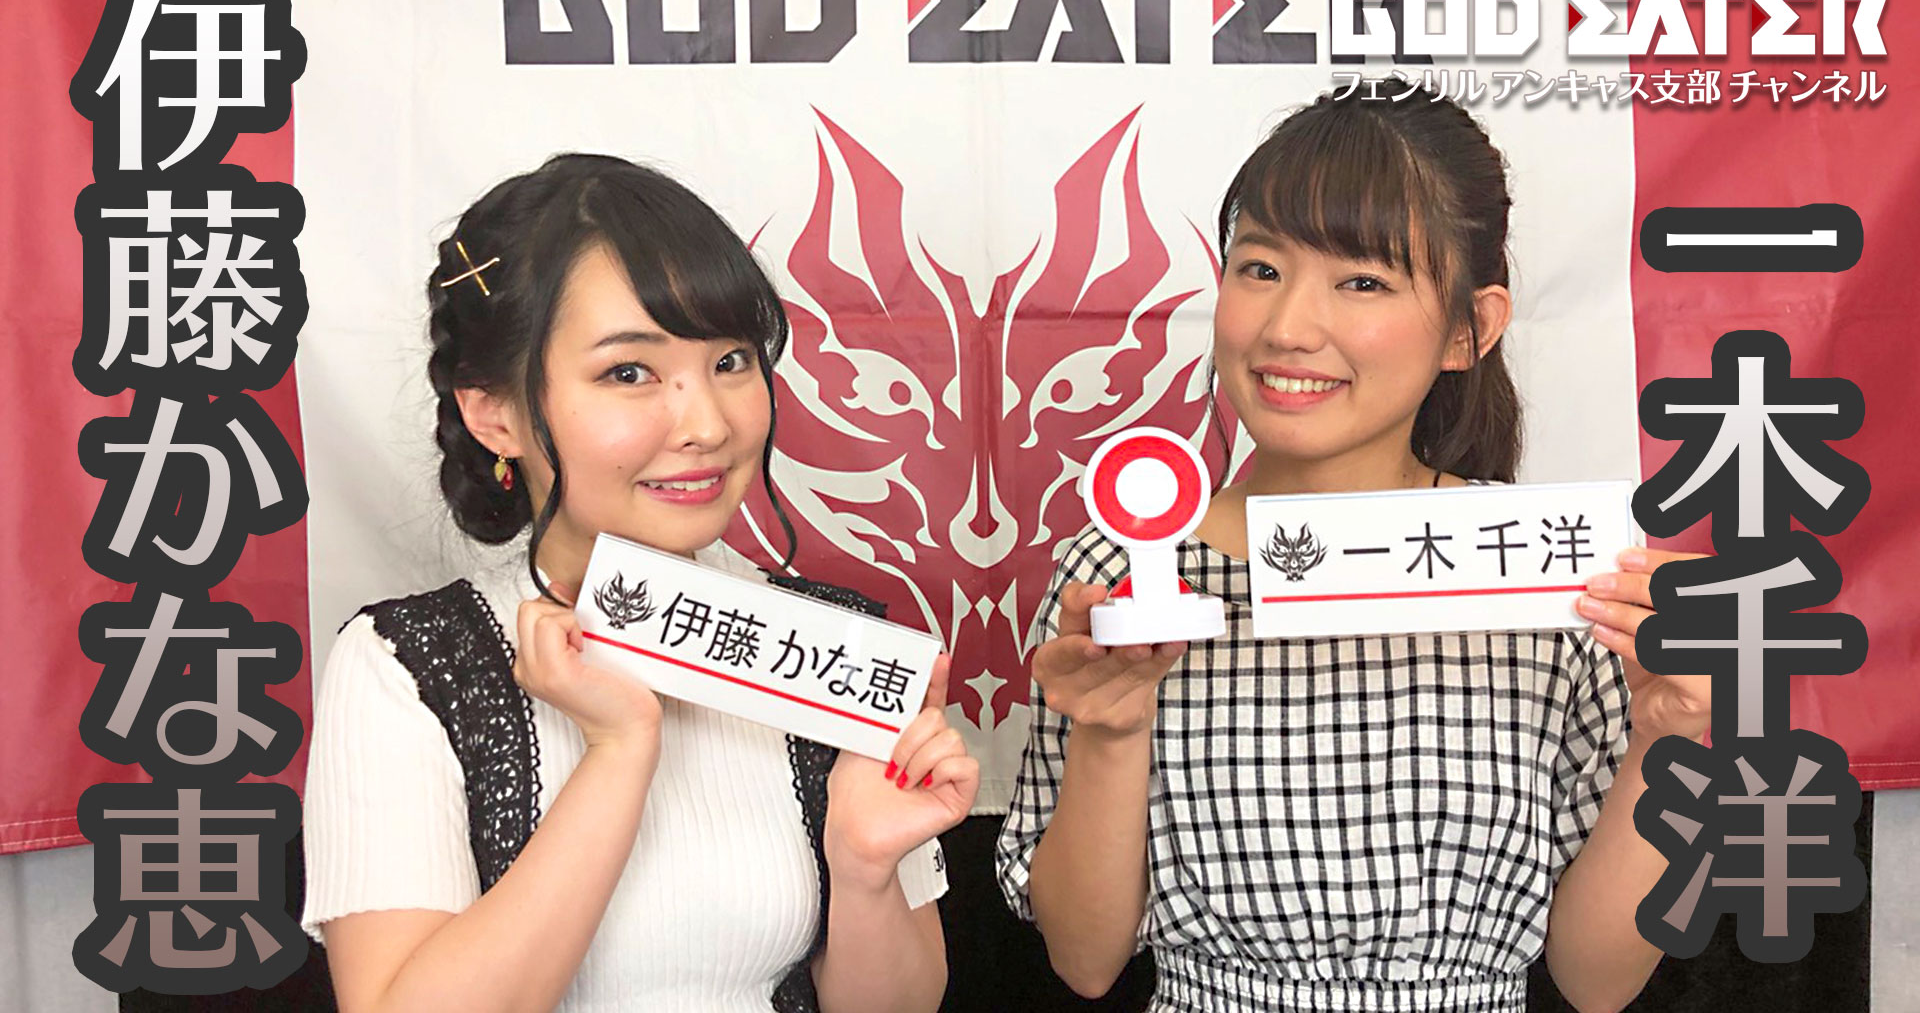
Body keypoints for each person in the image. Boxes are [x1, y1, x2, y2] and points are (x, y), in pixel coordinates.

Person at [996, 79, 1710, 1013]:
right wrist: (1113, 728)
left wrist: (1671, 735)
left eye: (1362, 282)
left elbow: (1597, 981)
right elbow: (1084, 961)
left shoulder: (1555, 574)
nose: (1287, 328)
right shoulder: (1127, 571)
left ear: (1471, 330)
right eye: (1260, 268)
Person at [301, 154, 978, 1013]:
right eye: (629, 373)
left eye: (731, 361)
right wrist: (619, 751)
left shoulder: (828, 650)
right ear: (494, 414)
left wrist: (866, 867)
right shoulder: (407, 666)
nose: (707, 424)